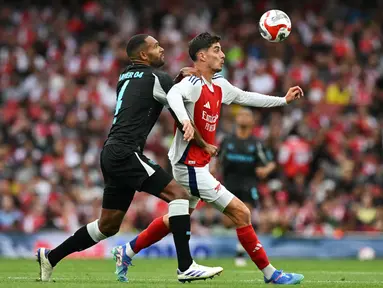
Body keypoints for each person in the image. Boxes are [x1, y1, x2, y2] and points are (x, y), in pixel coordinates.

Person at [115, 32, 305, 285]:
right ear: (201, 56)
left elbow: (246, 97)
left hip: (198, 164)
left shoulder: (219, 85)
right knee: (242, 213)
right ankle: (272, 274)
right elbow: (173, 96)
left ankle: (125, 251)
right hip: (189, 166)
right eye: (216, 49)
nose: (223, 54)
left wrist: (283, 100)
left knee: (176, 220)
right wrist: (184, 120)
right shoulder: (192, 83)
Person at [36, 34, 223, 283]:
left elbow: (151, 91)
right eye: (156, 46)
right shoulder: (158, 78)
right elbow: (179, 111)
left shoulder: (125, 77)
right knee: (179, 195)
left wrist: (176, 79)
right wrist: (204, 144)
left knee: (108, 226)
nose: (162, 48)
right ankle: (185, 266)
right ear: (144, 55)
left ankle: (51, 257)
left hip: (111, 152)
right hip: (125, 152)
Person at [217, 107, 277, 267]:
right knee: (228, 222)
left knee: (244, 216)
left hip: (249, 184)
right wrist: (211, 172)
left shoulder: (257, 143)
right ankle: (241, 246)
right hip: (229, 184)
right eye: (240, 115)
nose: (243, 118)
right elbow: (216, 161)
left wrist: (265, 169)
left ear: (252, 121)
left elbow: (271, 163)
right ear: (236, 120)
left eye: (246, 115)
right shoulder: (227, 141)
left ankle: (240, 252)